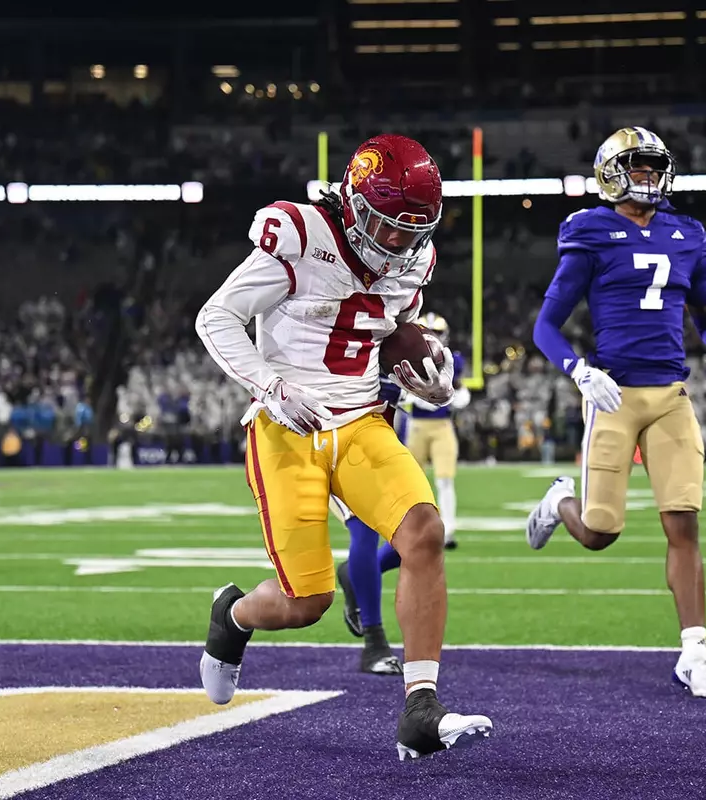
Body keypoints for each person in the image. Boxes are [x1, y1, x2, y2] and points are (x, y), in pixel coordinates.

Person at [194, 134, 492, 759]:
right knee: (308, 603)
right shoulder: (300, 234)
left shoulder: (414, 257)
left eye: (413, 230)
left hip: (359, 419)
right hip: (288, 428)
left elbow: (383, 332)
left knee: (424, 533)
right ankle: (235, 617)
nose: (398, 243)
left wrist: (425, 379)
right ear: (356, 202)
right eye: (388, 226)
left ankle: (420, 705)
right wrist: (270, 386)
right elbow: (215, 317)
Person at [526, 126, 706, 699]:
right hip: (614, 395)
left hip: (671, 396)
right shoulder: (591, 230)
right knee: (601, 532)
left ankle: (694, 652)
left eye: (654, 168)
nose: (649, 177)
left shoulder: (687, 233)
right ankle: (560, 500)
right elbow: (545, 326)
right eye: (639, 167)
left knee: (684, 521)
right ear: (610, 172)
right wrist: (580, 370)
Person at [398, 311, 468, 548]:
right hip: (417, 426)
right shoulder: (406, 358)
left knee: (445, 480)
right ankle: (411, 529)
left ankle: (448, 529)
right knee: (411, 481)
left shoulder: (452, 360)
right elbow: (406, 395)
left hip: (442, 426)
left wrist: (449, 396)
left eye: (437, 333)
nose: (432, 337)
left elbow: (462, 395)